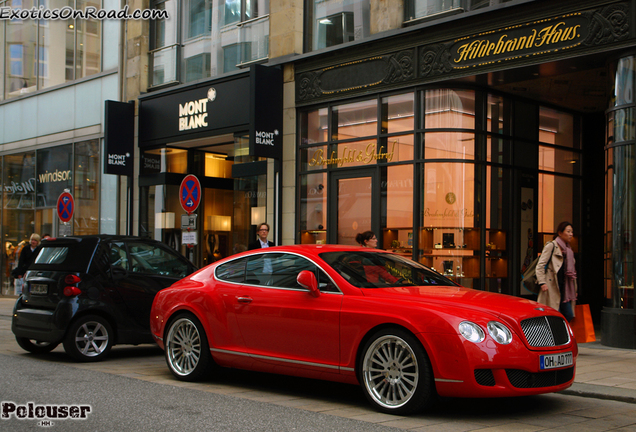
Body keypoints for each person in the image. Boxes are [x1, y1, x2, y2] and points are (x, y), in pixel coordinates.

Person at [536, 222, 577, 321]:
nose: (571, 234)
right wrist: (542, 282)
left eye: (572, 232)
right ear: (560, 233)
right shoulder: (551, 246)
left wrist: (574, 290)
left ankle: (560, 335)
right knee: (554, 315)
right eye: (568, 231)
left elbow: (572, 273)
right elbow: (540, 265)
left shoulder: (569, 250)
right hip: (552, 287)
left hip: (565, 290)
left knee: (569, 315)